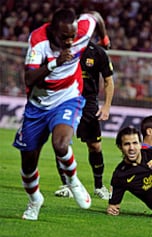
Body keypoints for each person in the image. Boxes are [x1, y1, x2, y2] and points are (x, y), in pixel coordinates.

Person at [13, 8, 110, 220]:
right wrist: (56, 62)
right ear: (53, 31)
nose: (68, 42)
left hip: (68, 97)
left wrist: (103, 38)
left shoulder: (83, 29)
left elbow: (95, 16)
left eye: (71, 37)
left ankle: (73, 180)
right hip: (38, 105)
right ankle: (35, 200)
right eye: (63, 37)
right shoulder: (38, 41)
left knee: (61, 144)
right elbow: (29, 79)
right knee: (28, 164)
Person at [54, 40, 114, 200]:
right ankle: (66, 184)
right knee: (61, 142)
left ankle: (99, 186)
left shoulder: (98, 52)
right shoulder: (62, 49)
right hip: (65, 98)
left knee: (95, 146)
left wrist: (107, 106)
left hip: (88, 101)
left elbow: (108, 80)